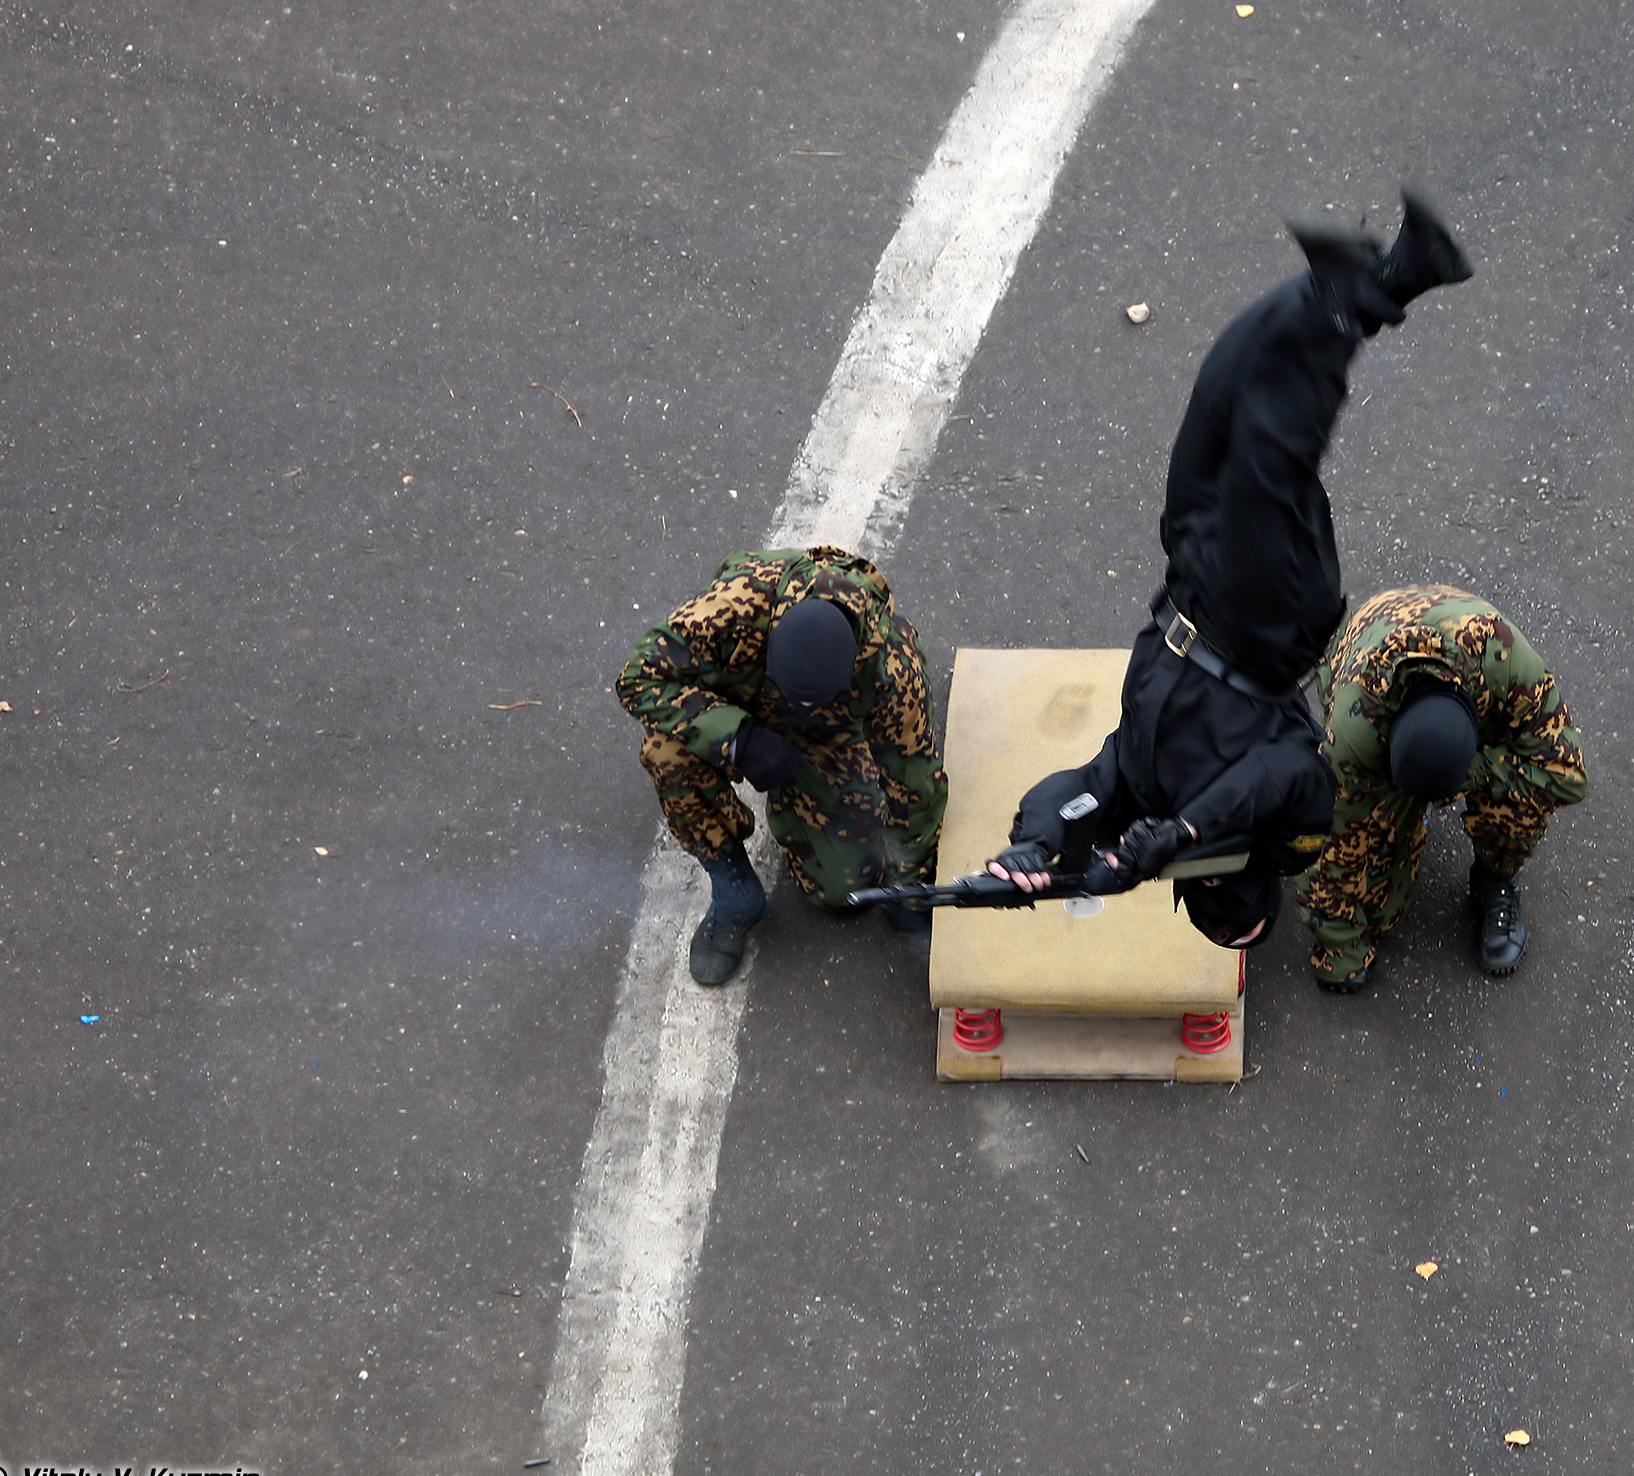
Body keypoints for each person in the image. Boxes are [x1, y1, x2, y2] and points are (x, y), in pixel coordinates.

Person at [987, 190, 1474, 946]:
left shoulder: (1146, 795)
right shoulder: (1291, 830)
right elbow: (1275, 777)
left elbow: (1083, 787)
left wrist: (1036, 844)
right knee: (1267, 453)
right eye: (1223, 881)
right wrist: (1184, 834)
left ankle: (1384, 278)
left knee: (1221, 391)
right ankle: (1348, 299)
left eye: (1201, 886)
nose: (1209, 875)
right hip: (1267, 627)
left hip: (1189, 585)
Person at [617, 545, 947, 984]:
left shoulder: (891, 669)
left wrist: (911, 882)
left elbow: (915, 784)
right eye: (794, 694)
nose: (801, 704)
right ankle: (734, 890)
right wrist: (740, 738)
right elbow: (638, 677)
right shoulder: (735, 608)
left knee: (844, 891)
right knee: (666, 751)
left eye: (815, 699)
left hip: (827, 741)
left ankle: (793, 796)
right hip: (745, 702)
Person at [1292, 584, 1587, 992]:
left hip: (1466, 657)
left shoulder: (1507, 663)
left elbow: (1567, 775)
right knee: (1379, 906)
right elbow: (1327, 842)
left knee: (1524, 799)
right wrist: (1340, 951)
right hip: (1371, 635)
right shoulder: (1353, 731)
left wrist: (1481, 772)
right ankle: (1399, 818)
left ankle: (1495, 878)